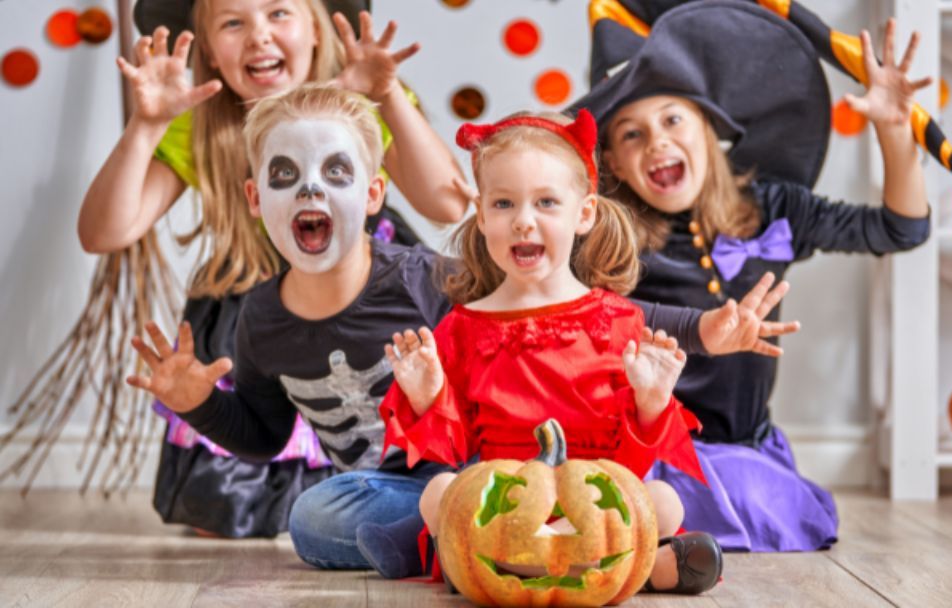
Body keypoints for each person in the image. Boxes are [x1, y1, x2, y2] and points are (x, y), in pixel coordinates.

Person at [127, 84, 795, 579]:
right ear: (255, 199)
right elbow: (270, 433)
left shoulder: (432, 283)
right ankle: (523, 554)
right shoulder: (266, 317)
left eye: (334, 173)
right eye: (503, 205)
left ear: (372, 193)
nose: (309, 194)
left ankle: (463, 555)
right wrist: (199, 404)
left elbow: (626, 323)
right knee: (334, 513)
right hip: (430, 484)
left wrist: (708, 330)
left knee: (661, 503)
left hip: (546, 481)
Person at [79, 0, 470, 538]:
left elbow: (449, 204)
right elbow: (104, 232)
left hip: (368, 294)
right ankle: (361, 512)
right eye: (234, 22)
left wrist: (384, 99)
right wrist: (147, 126)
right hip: (257, 305)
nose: (259, 36)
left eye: (278, 13)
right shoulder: (199, 125)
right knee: (224, 513)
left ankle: (403, 500)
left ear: (315, 30)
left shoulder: (358, 107)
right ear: (210, 51)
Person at [574, 2, 931, 551]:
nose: (657, 143)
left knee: (759, 497)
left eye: (672, 119)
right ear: (614, 163)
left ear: (708, 125)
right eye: (631, 135)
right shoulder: (603, 238)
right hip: (645, 452)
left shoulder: (773, 209)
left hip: (747, 452)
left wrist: (893, 131)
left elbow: (900, 230)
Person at [379, 110, 725, 594]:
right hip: (506, 505)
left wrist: (651, 402)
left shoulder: (617, 321)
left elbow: (630, 470)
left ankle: (501, 570)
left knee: (665, 500)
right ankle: (643, 571)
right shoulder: (463, 326)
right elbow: (450, 450)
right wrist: (426, 395)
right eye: (503, 204)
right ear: (481, 215)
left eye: (545, 202)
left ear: (583, 213)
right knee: (437, 494)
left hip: (594, 505)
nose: (523, 221)